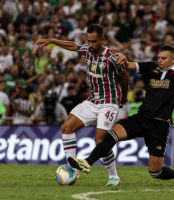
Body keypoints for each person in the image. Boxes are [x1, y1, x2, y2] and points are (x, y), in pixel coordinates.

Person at [67, 41, 174, 186]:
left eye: (164, 58)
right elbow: (129, 65)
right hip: (141, 118)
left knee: (155, 172)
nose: (160, 60)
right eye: (159, 57)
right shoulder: (151, 68)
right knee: (113, 133)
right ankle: (87, 162)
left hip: (160, 125)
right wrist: (120, 57)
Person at [35, 24, 128, 186]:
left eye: (94, 42)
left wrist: (123, 98)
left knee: (100, 140)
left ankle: (114, 176)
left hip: (109, 102)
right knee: (67, 127)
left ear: (102, 40)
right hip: (92, 101)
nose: (90, 45)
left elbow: (124, 77)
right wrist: (51, 41)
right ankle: (71, 167)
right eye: (88, 41)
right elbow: (73, 46)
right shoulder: (87, 50)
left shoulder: (112, 58)